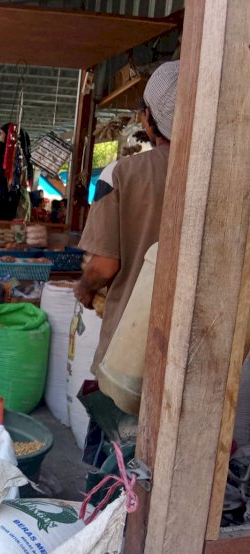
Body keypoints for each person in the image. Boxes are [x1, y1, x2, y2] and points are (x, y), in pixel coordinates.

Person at [74, 60, 179, 372]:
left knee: (112, 416)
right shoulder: (229, 174)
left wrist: (85, 287)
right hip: (202, 346)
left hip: (131, 345)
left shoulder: (121, 174)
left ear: (148, 118)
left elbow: (104, 266)